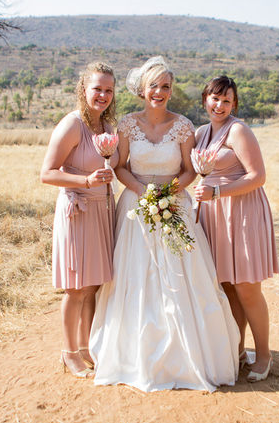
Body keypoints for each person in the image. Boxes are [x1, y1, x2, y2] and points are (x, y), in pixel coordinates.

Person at [89, 56, 239, 392]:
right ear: (142, 90)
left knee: (182, 278)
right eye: (154, 86)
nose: (160, 92)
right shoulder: (126, 125)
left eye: (166, 86)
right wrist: (144, 192)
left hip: (175, 203)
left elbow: (189, 169)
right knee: (136, 276)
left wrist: (169, 193)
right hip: (135, 206)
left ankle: (191, 355)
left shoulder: (184, 125)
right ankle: (133, 355)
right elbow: (121, 166)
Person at [194, 75, 279, 382]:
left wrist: (218, 192)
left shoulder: (239, 130)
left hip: (242, 211)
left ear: (235, 104)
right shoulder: (202, 133)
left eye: (227, 100)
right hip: (214, 216)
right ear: (205, 99)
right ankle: (238, 349)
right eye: (215, 98)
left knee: (246, 286)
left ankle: (265, 354)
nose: (220, 105)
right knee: (227, 285)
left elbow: (258, 176)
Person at [40, 62, 118, 378]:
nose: (102, 95)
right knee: (76, 287)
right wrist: (85, 182)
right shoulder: (72, 125)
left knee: (94, 285)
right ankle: (69, 352)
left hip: (102, 211)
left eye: (108, 90)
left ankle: (87, 348)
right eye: (97, 89)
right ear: (83, 90)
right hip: (78, 211)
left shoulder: (108, 129)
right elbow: (46, 173)